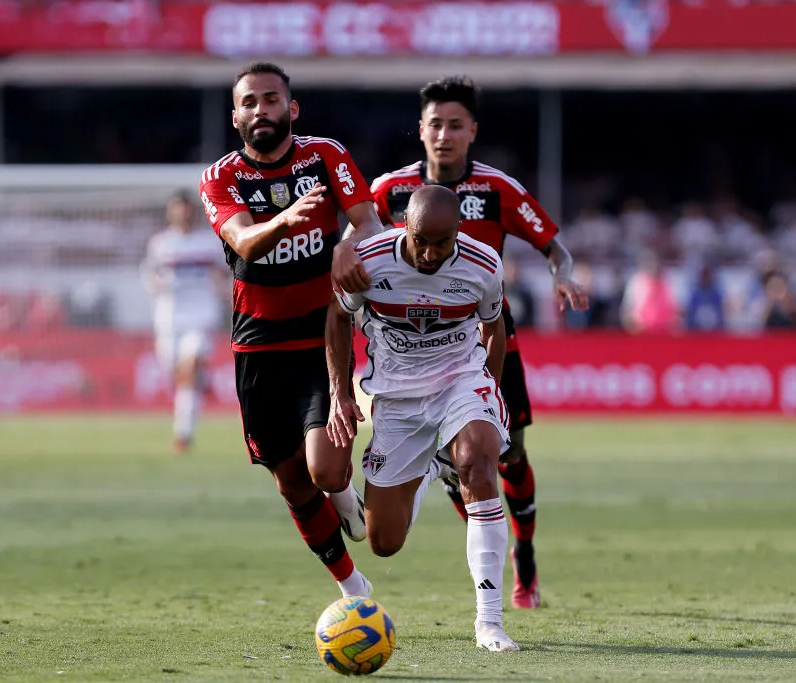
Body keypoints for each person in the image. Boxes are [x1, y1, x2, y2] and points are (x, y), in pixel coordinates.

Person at [371, 76, 587, 610]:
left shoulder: (497, 189)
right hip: (415, 351)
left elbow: (554, 246)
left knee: (511, 455)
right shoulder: (390, 191)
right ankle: (489, 551)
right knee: (462, 468)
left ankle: (524, 552)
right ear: (421, 130)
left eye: (455, 125)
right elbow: (359, 250)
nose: (444, 135)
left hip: (488, 339)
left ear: (472, 131)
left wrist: (563, 274)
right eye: (435, 125)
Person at [198, 62, 384, 598]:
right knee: (292, 484)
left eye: (271, 99)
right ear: (236, 117)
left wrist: (347, 244)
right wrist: (283, 220)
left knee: (324, 471)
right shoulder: (220, 177)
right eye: (249, 102)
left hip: (321, 338)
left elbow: (369, 222)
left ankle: (342, 492)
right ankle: (354, 588)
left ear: (292, 108)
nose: (261, 109)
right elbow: (244, 243)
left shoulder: (325, 155)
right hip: (258, 346)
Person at [326, 185, 518, 652]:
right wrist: (339, 392)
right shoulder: (369, 260)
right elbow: (337, 318)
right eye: (420, 241)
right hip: (396, 398)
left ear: (458, 232)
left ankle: (489, 622)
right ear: (404, 227)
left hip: (460, 380)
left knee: (478, 462)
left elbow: (494, 327)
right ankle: (433, 466)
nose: (430, 254)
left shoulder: (483, 263)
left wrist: (487, 396)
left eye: (442, 243)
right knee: (383, 542)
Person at [141, 190, 229, 452]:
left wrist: (222, 286)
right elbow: (149, 275)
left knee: (189, 370)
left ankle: (183, 434)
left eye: (187, 208)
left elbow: (225, 273)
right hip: (169, 319)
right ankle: (203, 383)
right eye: (178, 208)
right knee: (176, 375)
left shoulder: (210, 242)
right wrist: (156, 283)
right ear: (171, 212)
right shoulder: (160, 244)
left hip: (201, 317)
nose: (183, 213)